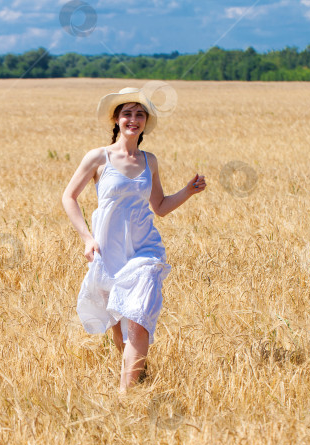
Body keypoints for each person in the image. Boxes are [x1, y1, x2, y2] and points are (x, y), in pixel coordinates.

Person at [61, 86, 206, 392]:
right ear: (116, 118)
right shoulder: (97, 158)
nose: (133, 119)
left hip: (145, 250)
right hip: (109, 253)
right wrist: (87, 238)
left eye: (140, 114)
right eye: (127, 113)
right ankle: (138, 374)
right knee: (119, 328)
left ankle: (126, 397)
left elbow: (160, 207)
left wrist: (188, 191)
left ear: (144, 123)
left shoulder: (149, 161)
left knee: (138, 320)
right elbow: (69, 197)